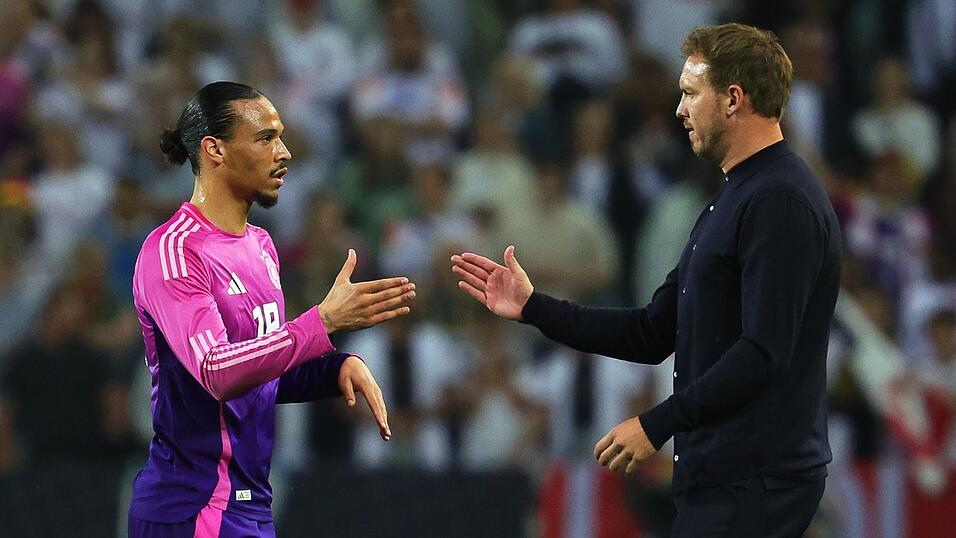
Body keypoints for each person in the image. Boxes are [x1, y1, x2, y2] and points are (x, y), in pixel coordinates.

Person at [452, 23, 841, 537]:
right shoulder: (735, 197)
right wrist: (533, 307)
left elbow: (764, 351)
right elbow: (653, 331)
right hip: (724, 479)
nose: (678, 110)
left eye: (688, 94)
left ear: (732, 99)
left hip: (755, 482)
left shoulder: (779, 202)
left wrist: (656, 424)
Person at [128, 81, 417, 538]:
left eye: (280, 137)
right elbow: (216, 371)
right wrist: (320, 322)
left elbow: (259, 371)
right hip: (194, 507)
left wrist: (332, 369)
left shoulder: (261, 246)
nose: (284, 152)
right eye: (265, 138)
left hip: (249, 506)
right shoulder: (175, 251)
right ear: (214, 150)